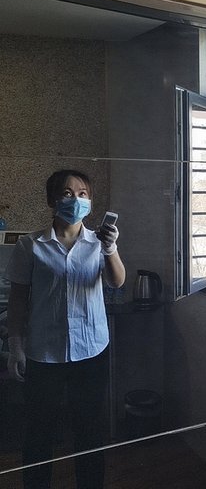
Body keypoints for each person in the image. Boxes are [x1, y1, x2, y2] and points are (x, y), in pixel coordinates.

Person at [5, 169, 126, 489]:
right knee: (39, 432)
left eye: (83, 194)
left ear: (91, 201)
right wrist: (15, 346)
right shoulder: (31, 245)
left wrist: (111, 249)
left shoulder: (99, 243)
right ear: (52, 200)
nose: (76, 200)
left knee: (89, 431)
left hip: (91, 350)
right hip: (44, 352)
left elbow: (117, 282)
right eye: (68, 193)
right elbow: (18, 300)